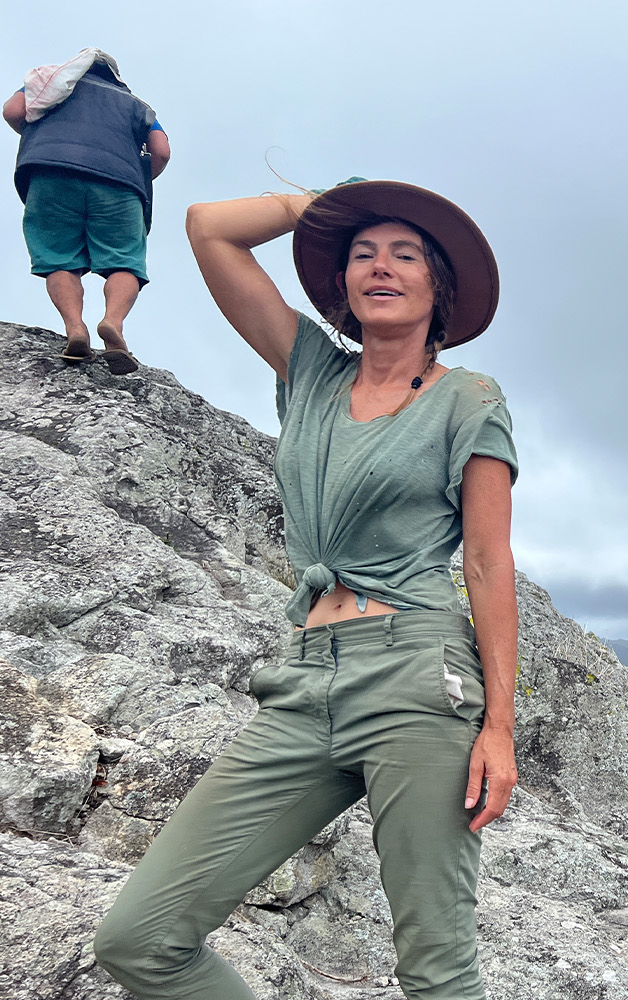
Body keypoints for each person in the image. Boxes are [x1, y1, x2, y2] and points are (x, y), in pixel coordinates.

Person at [92, 179, 519, 1000]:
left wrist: (500, 726)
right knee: (140, 938)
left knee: (437, 971)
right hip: (304, 678)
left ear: (440, 288)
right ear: (341, 287)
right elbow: (208, 229)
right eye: (363, 256)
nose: (380, 267)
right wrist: (318, 211)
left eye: (405, 255)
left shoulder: (470, 398)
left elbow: (487, 562)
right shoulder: (312, 371)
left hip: (418, 679)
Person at [3, 49, 170, 374]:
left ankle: (75, 328)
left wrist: (43, 136)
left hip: (51, 173)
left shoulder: (47, 84)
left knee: (59, 257)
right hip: (119, 184)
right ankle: (113, 323)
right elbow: (160, 149)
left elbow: (12, 111)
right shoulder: (135, 105)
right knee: (124, 259)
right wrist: (134, 174)